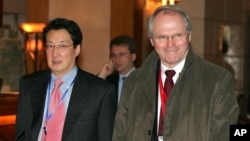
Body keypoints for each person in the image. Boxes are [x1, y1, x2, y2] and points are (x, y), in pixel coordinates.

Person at [112, 5, 239, 141]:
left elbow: (224, 136)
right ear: (152, 41)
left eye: (177, 35)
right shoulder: (134, 81)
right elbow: (120, 135)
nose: (170, 44)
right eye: (162, 37)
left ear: (189, 36)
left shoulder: (217, 80)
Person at [15, 18, 116, 141]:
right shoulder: (29, 85)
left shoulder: (100, 92)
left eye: (62, 46)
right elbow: (21, 136)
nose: (55, 53)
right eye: (50, 46)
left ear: (77, 49)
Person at [98, 35, 136, 105]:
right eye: (113, 55)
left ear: (133, 57)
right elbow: (92, 99)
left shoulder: (143, 79)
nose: (117, 59)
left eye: (121, 54)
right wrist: (102, 75)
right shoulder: (108, 81)